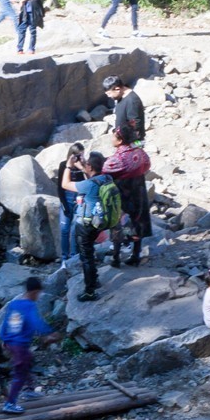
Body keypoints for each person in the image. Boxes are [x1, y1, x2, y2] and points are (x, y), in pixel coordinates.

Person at [0, 277, 62, 414]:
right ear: (34, 292)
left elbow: (7, 323)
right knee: (20, 373)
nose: (38, 297)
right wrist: (50, 332)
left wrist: (4, 338)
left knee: (27, 360)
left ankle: (29, 391)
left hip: (11, 342)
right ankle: (10, 403)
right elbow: (36, 323)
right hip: (19, 344)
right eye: (38, 293)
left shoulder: (14, 304)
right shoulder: (29, 305)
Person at [61, 152, 109, 302]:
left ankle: (90, 291)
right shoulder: (106, 178)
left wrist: (69, 167)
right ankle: (94, 280)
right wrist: (83, 167)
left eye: (87, 163)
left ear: (90, 166)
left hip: (86, 224)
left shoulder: (88, 185)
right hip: (98, 222)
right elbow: (92, 180)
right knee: (90, 251)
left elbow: (64, 184)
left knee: (86, 257)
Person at [102, 124, 152, 267]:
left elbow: (103, 170)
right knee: (137, 222)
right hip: (139, 192)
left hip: (122, 195)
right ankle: (135, 255)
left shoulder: (117, 159)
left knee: (118, 224)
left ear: (120, 140)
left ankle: (116, 257)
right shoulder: (140, 152)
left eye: (113, 136)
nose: (111, 139)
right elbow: (147, 165)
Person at [56, 143, 86, 266]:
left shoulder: (83, 166)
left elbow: (88, 181)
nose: (79, 158)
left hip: (79, 199)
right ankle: (64, 258)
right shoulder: (64, 165)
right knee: (64, 230)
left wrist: (83, 166)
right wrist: (63, 204)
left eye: (82, 155)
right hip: (67, 198)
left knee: (75, 229)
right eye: (78, 156)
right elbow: (60, 186)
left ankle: (74, 256)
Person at [103, 75, 145, 145]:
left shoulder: (132, 100)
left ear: (117, 89)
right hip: (123, 139)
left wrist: (129, 143)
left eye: (109, 93)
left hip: (133, 142)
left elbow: (135, 124)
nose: (108, 96)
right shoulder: (120, 97)